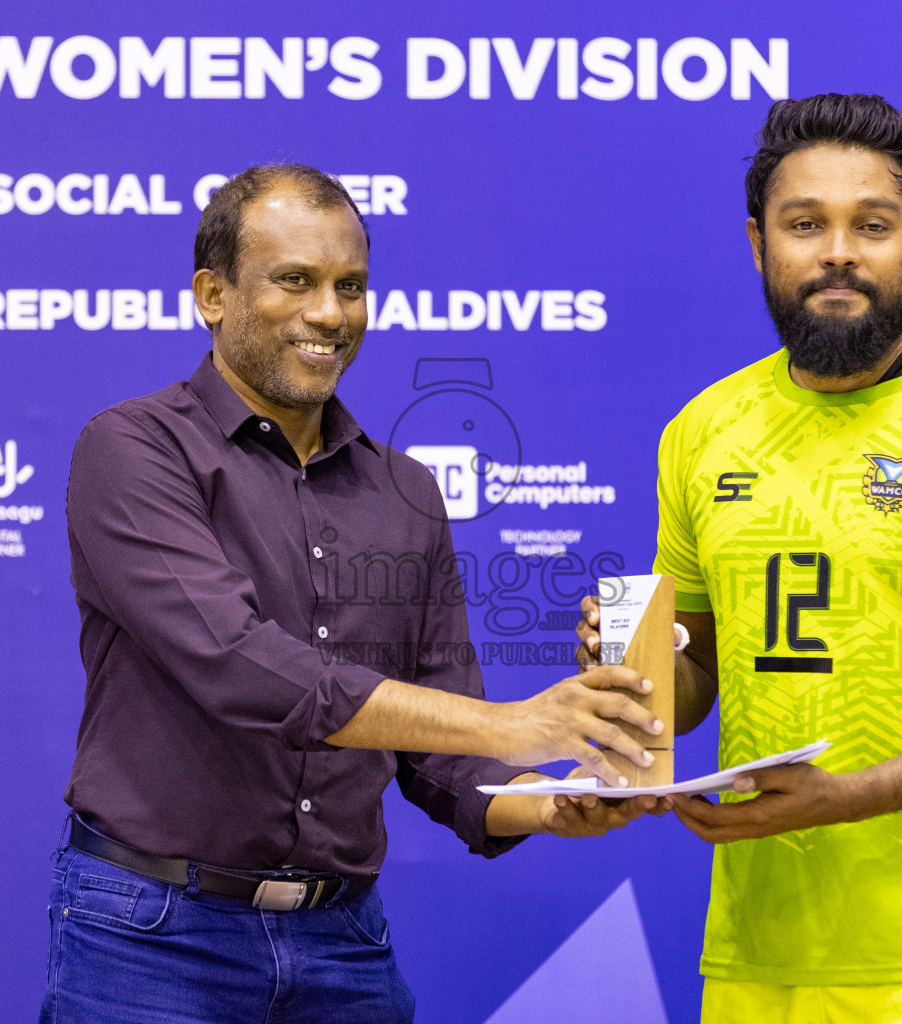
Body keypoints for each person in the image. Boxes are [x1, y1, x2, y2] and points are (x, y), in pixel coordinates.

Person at [42, 163, 663, 1024]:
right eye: (295, 281)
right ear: (212, 295)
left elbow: (444, 741)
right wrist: (522, 721)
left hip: (345, 947)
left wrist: (547, 803)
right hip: (153, 938)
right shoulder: (132, 449)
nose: (330, 314)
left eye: (351, 287)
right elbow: (238, 664)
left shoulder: (405, 489)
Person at [575, 94, 902, 1024]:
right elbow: (694, 680)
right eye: (805, 224)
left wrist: (847, 798)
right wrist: (633, 672)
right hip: (754, 952)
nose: (838, 252)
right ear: (758, 244)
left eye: (872, 225)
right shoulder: (701, 431)